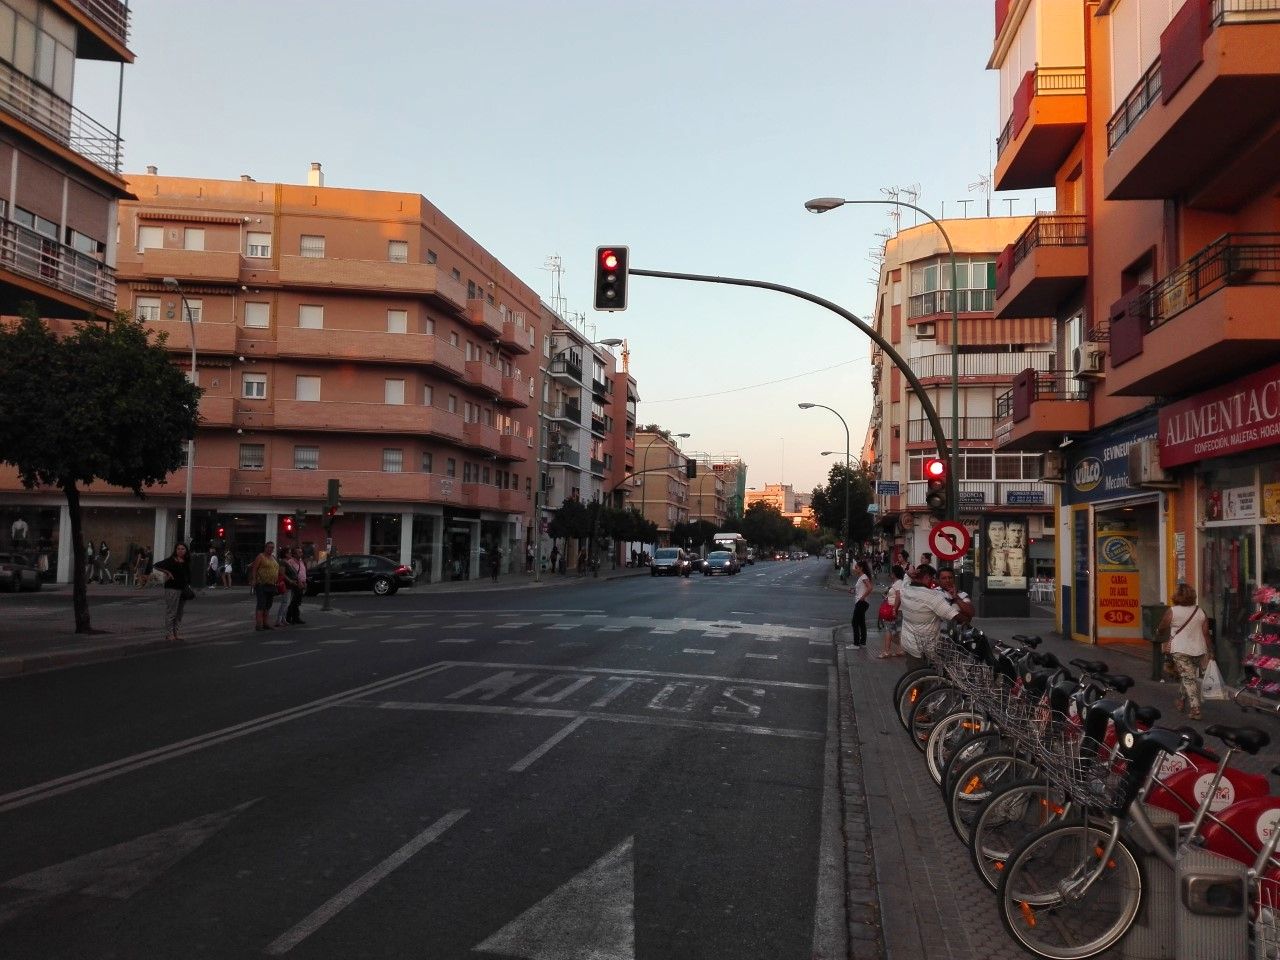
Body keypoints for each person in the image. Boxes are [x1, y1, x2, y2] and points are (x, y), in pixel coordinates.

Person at [898, 563, 971, 675]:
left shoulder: (905, 589)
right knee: (926, 681)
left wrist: (909, 573)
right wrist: (965, 619)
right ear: (927, 577)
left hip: (908, 644)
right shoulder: (932, 596)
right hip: (925, 648)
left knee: (913, 679)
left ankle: (912, 692)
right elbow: (955, 616)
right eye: (932, 578)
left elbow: (906, 579)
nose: (933, 581)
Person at [1158, 583, 1213, 720]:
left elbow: (1162, 626)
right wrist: (1210, 650)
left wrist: (1159, 631)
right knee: (1188, 676)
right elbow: (1206, 634)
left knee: (1188, 678)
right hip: (1199, 649)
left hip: (1180, 650)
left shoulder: (1173, 611)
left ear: (1176, 596)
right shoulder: (1200, 611)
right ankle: (1181, 701)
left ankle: (1195, 709)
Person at [152, 543, 191, 643]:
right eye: (178, 549)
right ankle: (169, 634)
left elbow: (187, 574)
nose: (180, 551)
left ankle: (176, 633)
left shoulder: (186, 561)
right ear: (175, 550)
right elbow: (156, 565)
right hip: (172, 588)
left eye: (183, 549)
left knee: (179, 613)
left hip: (183, 589)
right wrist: (167, 572)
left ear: (186, 550)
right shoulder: (171, 560)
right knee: (171, 612)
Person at [248, 541, 281, 631]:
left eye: (272, 547)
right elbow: (254, 568)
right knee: (261, 604)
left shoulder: (273, 557)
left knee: (268, 605)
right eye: (269, 547)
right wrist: (254, 579)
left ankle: (265, 623)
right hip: (261, 584)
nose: (271, 549)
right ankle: (259, 624)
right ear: (265, 547)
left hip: (272, 584)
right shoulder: (260, 556)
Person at [879, 564, 906, 659]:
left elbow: (898, 595)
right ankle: (901, 649)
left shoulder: (898, 583)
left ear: (894, 574)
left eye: (891, 573)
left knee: (888, 629)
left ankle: (887, 651)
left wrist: (894, 608)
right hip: (899, 609)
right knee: (899, 630)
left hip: (894, 609)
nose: (890, 574)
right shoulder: (899, 583)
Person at [850, 559, 873, 648]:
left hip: (861, 602)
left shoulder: (863, 576)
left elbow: (870, 588)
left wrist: (862, 597)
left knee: (854, 622)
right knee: (861, 623)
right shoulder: (862, 577)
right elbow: (863, 588)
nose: (855, 569)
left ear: (861, 568)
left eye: (856, 568)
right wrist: (853, 590)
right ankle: (862, 642)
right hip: (863, 602)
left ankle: (856, 644)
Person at [273, 552, 299, 626]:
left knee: (287, 603)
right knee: (285, 602)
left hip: (291, 585)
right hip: (287, 585)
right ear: (285, 554)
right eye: (289, 552)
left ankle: (283, 619)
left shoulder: (288, 562)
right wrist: (290, 580)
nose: (291, 553)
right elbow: (282, 573)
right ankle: (279, 620)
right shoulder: (283, 562)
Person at [286, 548, 307, 625]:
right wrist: (298, 582)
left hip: (302, 583)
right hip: (295, 584)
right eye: (299, 552)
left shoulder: (301, 561)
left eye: (301, 552)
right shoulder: (290, 562)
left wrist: (305, 582)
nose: (301, 553)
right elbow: (290, 573)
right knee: (293, 602)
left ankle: (296, 618)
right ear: (294, 554)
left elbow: (303, 572)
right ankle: (289, 618)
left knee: (297, 602)